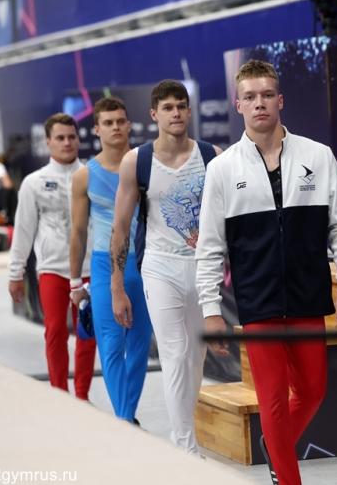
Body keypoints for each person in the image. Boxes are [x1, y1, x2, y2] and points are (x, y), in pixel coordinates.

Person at [196, 59, 337, 485]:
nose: (259, 103)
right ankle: (287, 476)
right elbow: (210, 247)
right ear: (238, 105)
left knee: (313, 391)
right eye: (250, 97)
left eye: (267, 95)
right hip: (258, 300)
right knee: (273, 402)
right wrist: (211, 310)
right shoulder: (223, 169)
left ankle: (275, 443)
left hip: (307, 295)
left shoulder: (318, 156)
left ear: (280, 100)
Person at [111, 79, 220, 452]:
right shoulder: (137, 161)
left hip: (202, 268)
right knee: (174, 354)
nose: (176, 113)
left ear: (189, 111)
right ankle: (186, 449)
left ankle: (182, 436)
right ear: (154, 114)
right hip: (160, 267)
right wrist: (116, 285)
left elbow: (226, 218)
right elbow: (120, 228)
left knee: (195, 358)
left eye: (181, 106)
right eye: (168, 107)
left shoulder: (212, 157)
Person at [69, 97, 152, 422]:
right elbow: (78, 232)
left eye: (120, 121)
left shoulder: (146, 164)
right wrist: (75, 282)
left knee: (139, 345)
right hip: (105, 265)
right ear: (97, 129)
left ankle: (125, 416)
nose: (115, 127)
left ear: (129, 124)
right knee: (111, 344)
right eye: (108, 122)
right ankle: (124, 419)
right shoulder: (84, 176)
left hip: (144, 262)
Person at [8, 114, 97, 400]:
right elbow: (23, 230)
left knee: (87, 333)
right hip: (52, 269)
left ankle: (81, 396)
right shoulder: (34, 183)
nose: (67, 142)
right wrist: (15, 273)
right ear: (48, 142)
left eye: (71, 137)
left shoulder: (94, 175)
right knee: (55, 330)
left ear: (78, 139)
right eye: (60, 138)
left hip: (89, 269)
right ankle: (59, 396)